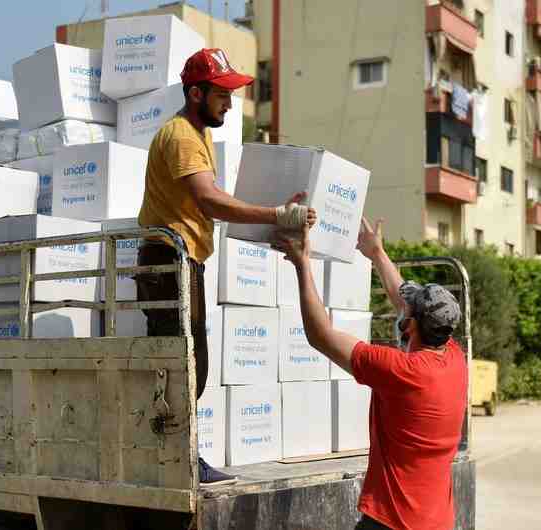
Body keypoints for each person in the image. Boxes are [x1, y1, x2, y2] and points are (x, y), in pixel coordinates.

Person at [135, 47, 316, 484]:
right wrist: (276, 215)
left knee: (191, 363)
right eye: (222, 95)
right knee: (184, 364)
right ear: (196, 93)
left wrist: (272, 221)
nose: (230, 104)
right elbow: (209, 201)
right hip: (167, 263)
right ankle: (178, 463)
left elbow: (209, 205)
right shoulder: (180, 136)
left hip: (181, 262)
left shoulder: (197, 136)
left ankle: (181, 458)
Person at [272, 218, 467, 530]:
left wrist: (302, 263)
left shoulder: (401, 370)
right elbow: (406, 301)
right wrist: (377, 253)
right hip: (437, 522)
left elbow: (320, 335)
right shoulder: (455, 359)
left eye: (409, 311)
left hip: (393, 522)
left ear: (411, 324)